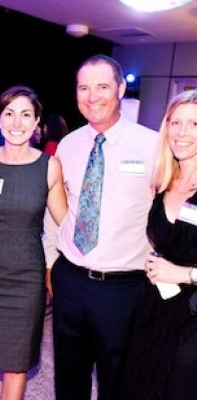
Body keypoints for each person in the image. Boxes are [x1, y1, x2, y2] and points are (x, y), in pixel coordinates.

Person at [43, 54, 159, 400]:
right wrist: (52, 261)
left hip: (123, 288)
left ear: (121, 89)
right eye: (84, 87)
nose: (92, 96)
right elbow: (55, 209)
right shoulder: (68, 144)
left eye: (103, 86)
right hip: (70, 279)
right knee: (68, 375)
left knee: (119, 380)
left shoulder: (153, 146)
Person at [0, 85, 67, 400]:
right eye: (9, 114)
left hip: (27, 279)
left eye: (26, 115)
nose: (17, 122)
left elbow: (66, 223)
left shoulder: (49, 166)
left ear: (37, 121)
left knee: (16, 363)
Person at [120, 90, 197, 400]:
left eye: (194, 123)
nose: (181, 132)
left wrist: (183, 274)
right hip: (156, 306)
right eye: (174, 122)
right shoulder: (165, 180)